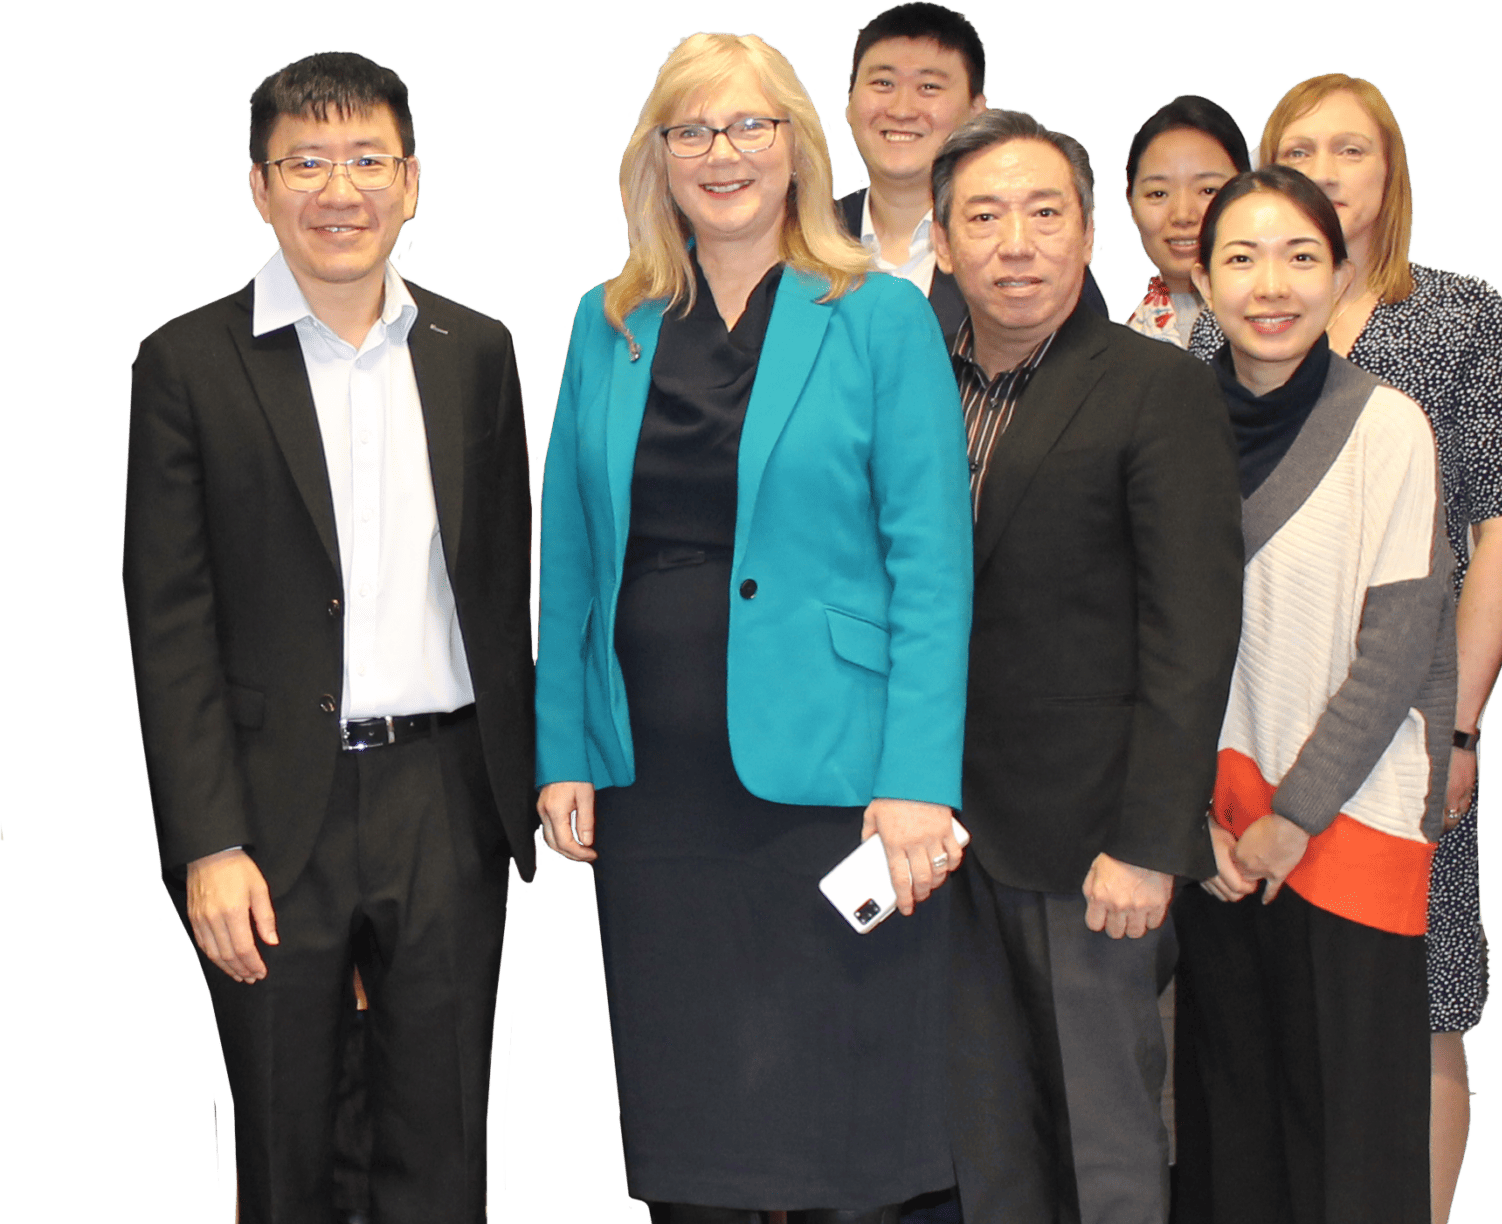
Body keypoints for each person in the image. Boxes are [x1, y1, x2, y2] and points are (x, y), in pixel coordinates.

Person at [532, 31, 974, 1224]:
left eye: (749, 128)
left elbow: (932, 567)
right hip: (653, 785)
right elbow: (568, 552)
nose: (722, 155)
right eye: (693, 131)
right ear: (656, 159)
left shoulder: (881, 318)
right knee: (693, 1129)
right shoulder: (606, 320)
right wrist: (563, 748)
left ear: (796, 147)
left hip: (835, 773)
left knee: (850, 1135)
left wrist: (920, 780)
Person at [122, 50, 537, 1223]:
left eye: (366, 161)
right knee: (286, 1143)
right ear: (260, 187)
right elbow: (169, 624)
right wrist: (208, 843)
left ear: (412, 181)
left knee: (442, 1148)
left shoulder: (479, 351)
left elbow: (505, 591)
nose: (337, 190)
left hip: (448, 798)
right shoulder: (186, 365)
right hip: (267, 815)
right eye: (305, 163)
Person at [1190, 74, 1502, 1221]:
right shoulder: (1186, 381)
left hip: (1379, 769)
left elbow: (1492, 537)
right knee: (1234, 1092)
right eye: (1303, 148)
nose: (1272, 279)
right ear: (1205, 270)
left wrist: (1460, 723)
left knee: (1391, 1049)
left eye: (1354, 151)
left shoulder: (1445, 330)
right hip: (1218, 798)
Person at [929, 108, 1243, 1224]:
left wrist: (1151, 841)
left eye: (1044, 212)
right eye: (985, 216)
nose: (1016, 242)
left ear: (1089, 232)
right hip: (940, 843)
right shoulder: (911, 382)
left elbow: (1193, 631)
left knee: (1105, 1152)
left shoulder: (1157, 388)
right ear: (943, 238)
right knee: (984, 1151)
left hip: (1091, 853)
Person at [1172, 164, 1455, 1224]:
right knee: (1227, 1129)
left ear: (1343, 275)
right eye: (1240, 257)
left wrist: (1294, 817)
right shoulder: (1168, 423)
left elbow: (1394, 651)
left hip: (1349, 825)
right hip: (1211, 838)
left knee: (1355, 1145)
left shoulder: (1391, 428)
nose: (1271, 284)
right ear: (1202, 278)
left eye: (1301, 256)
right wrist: (1192, 824)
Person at [839, 2, 1106, 334]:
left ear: (976, 110)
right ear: (849, 103)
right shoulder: (800, 235)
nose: (902, 109)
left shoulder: (1028, 255)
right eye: (883, 83)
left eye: (929, 87)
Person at [1121, 94, 1249, 349]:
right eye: (1158, 193)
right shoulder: (1122, 344)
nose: (1182, 215)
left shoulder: (1290, 315)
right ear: (1132, 204)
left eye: (1209, 190)